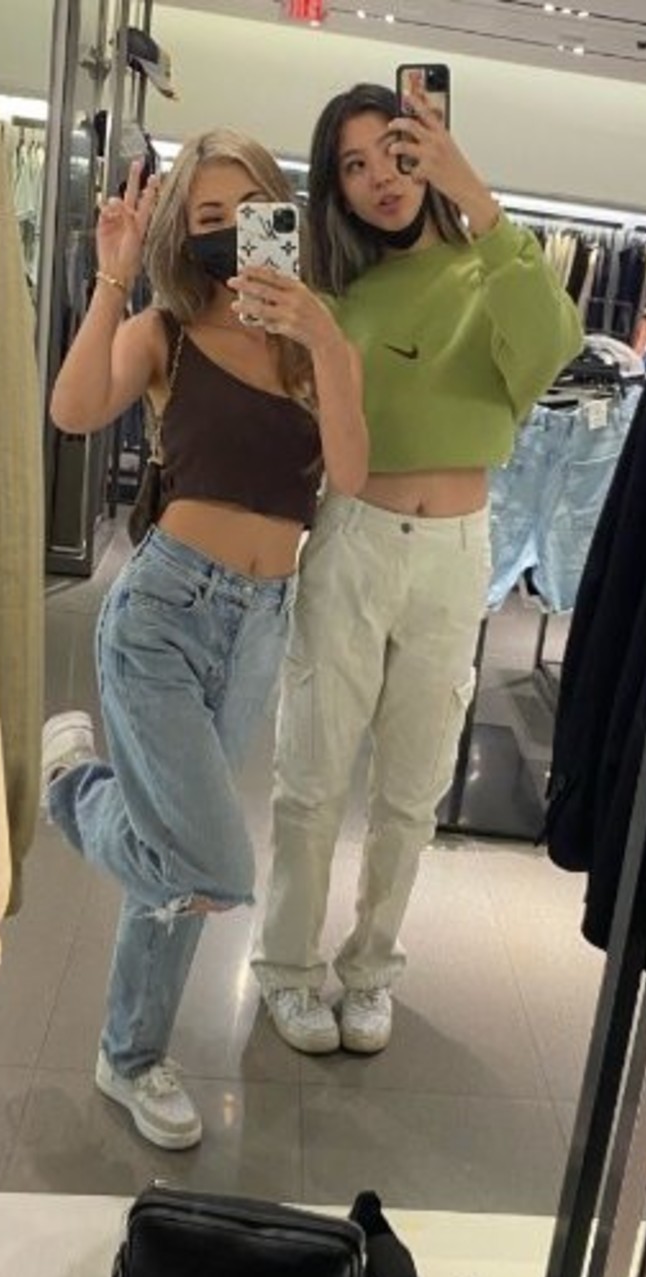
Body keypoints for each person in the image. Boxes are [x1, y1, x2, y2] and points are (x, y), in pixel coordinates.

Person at [42, 129, 368, 1149]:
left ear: (285, 219)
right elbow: (73, 408)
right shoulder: (168, 330)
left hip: (262, 625)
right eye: (210, 219)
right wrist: (114, 276)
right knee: (213, 868)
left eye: (252, 212)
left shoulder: (309, 347)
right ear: (187, 233)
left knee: (176, 863)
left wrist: (328, 342)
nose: (231, 236)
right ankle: (75, 790)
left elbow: (352, 474)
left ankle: (131, 1054)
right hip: (162, 618)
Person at [246, 84, 583, 1055]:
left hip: (455, 551)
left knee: (410, 787)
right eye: (351, 167)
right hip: (353, 535)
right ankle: (287, 967)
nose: (378, 181)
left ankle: (370, 968)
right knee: (312, 775)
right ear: (335, 191)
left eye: (394, 155)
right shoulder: (339, 296)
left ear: (428, 154)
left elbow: (554, 346)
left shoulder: (493, 266)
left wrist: (474, 193)